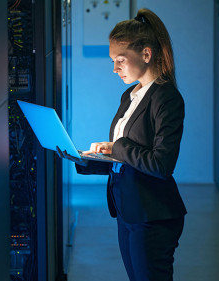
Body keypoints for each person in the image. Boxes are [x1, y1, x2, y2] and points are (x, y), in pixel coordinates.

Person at [56, 8, 186, 281]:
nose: (114, 68)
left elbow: (161, 164)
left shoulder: (167, 98)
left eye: (120, 60)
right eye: (113, 60)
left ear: (146, 54)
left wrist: (116, 147)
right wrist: (85, 159)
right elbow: (126, 159)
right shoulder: (131, 94)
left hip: (152, 214)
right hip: (128, 207)